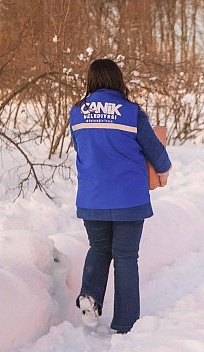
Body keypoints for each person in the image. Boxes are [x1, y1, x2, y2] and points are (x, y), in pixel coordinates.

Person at [69, 58, 171, 334]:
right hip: (128, 199)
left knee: (99, 248)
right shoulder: (131, 112)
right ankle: (126, 323)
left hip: (93, 199)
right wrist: (164, 168)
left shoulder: (77, 113)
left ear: (91, 81)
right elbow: (153, 149)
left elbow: (81, 148)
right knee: (126, 257)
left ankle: (90, 295)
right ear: (117, 80)